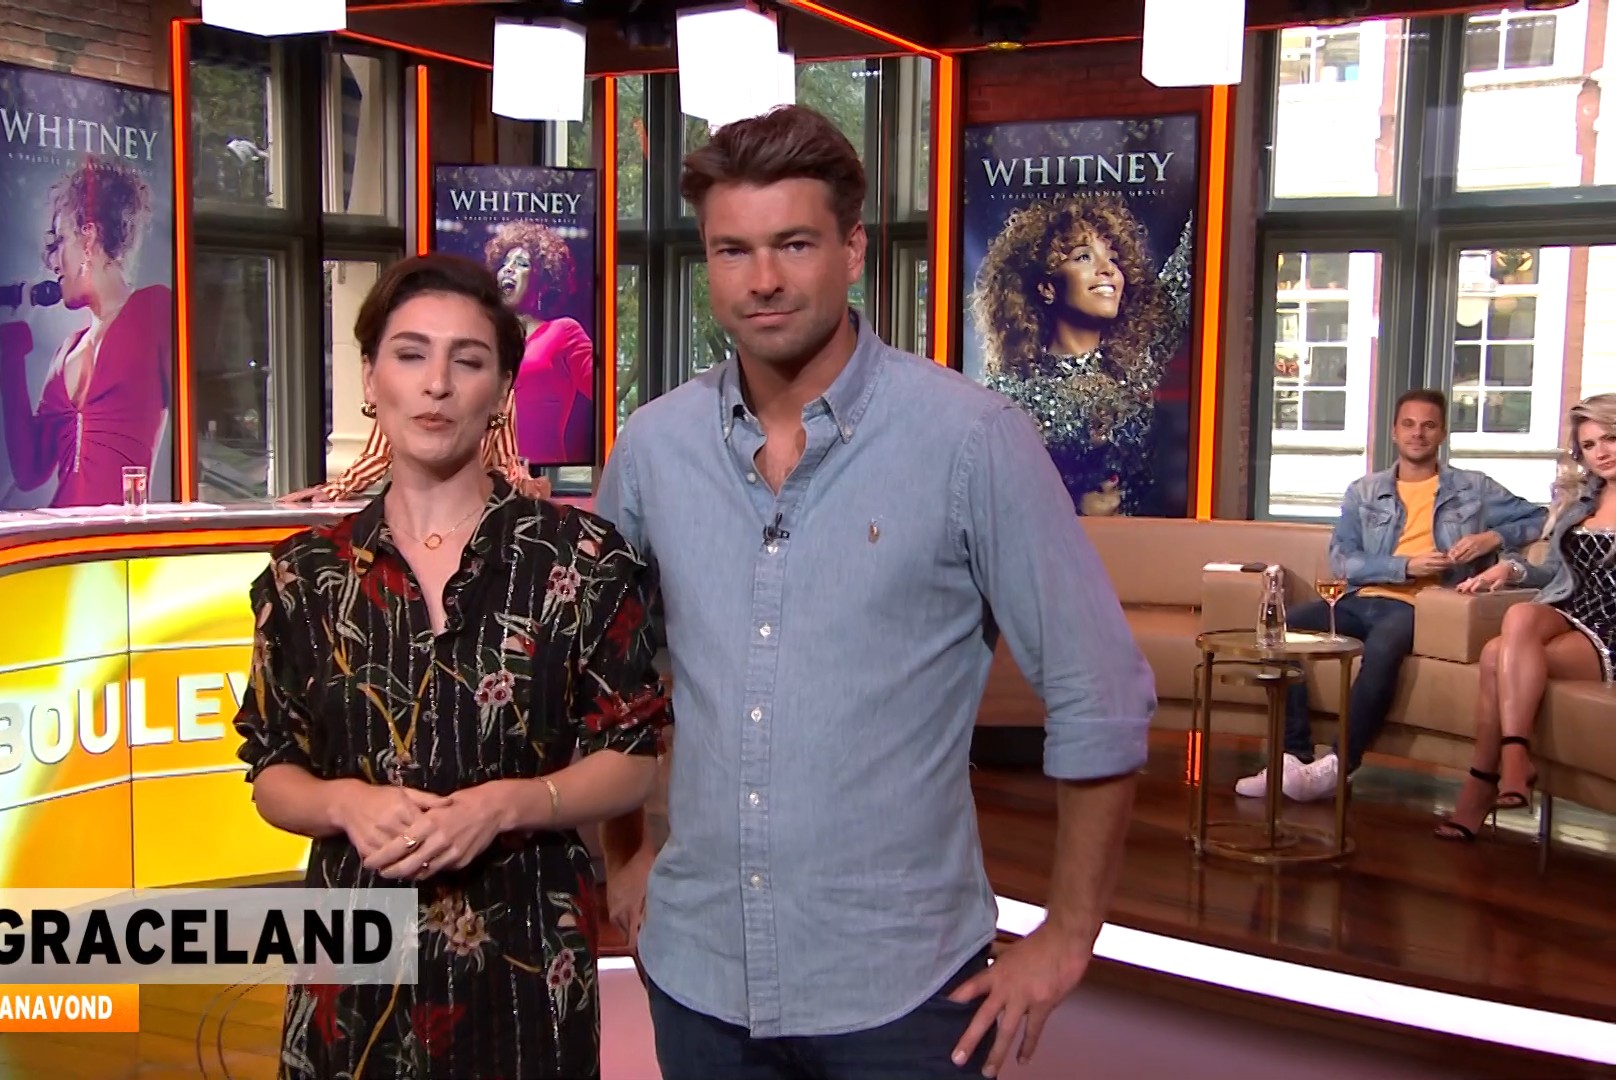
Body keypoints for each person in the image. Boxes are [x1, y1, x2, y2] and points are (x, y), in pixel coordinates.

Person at [593, 104, 1154, 1080]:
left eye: (794, 244)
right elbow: (607, 682)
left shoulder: (971, 439)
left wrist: (1068, 937)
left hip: (905, 995)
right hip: (699, 979)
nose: (763, 280)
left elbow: (1101, 693)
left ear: (852, 249)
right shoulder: (651, 448)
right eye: (732, 250)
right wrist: (623, 855)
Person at [230, 252, 671, 1079]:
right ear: (371, 378)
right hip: (354, 977)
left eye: (467, 361)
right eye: (411, 355)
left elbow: (631, 759)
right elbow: (271, 774)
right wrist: (344, 803)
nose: (436, 384)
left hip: (527, 968)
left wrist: (510, 804)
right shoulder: (304, 577)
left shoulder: (579, 559)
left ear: (501, 390)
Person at [1234, 389, 1548, 803]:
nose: (1418, 434)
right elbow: (1342, 560)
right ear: (1395, 432)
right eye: (1409, 424)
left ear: (1442, 434)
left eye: (1429, 425)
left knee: (1383, 650)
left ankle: (1338, 765)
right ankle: (1292, 758)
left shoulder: (1474, 488)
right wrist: (1405, 566)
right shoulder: (1364, 490)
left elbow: (1540, 517)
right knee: (1278, 630)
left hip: (1420, 607)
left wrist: (1491, 536)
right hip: (1359, 598)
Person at [1436, 393, 1616, 840]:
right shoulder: (1581, 505)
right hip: (1570, 608)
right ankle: (1515, 758)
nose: (1601, 452)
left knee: (1496, 656)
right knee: (1519, 614)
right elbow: (1555, 574)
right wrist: (1511, 568)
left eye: (1610, 438)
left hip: (1610, 626)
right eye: (1589, 445)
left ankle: (1484, 783)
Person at [969, 193, 1193, 517]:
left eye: (1113, 258)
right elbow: (988, 501)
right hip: (1058, 546)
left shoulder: (1141, 358)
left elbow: (1195, 251)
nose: (1107, 270)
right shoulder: (1009, 394)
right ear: (1047, 288)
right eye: (1084, 257)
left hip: (1147, 543)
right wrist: (1072, 507)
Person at [0, 156, 172, 508]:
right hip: (60, 533)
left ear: (88, 237)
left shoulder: (155, 310)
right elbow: (29, 472)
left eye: (60, 241)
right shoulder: (66, 351)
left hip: (122, 533)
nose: (53, 262)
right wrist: (11, 353)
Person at [281, 387, 549, 503]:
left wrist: (524, 484)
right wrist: (336, 490)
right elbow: (378, 455)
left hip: (477, 513)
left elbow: (503, 461)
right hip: (413, 509)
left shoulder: (499, 396)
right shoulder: (406, 393)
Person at [485, 219, 598, 466]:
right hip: (487, 473)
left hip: (546, 472)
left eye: (521, 264)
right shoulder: (485, 339)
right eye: (505, 263)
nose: (508, 269)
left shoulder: (563, 332)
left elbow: (603, 391)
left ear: (541, 281)